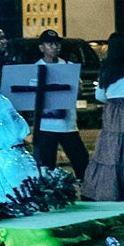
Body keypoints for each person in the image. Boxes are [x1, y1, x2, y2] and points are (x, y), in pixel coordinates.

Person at [81, 30, 124, 202]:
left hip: (112, 109)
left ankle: (108, 192)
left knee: (110, 151)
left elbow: (99, 95)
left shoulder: (106, 65)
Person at [25, 28, 88, 179]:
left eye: (56, 43)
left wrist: (78, 88)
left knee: (82, 162)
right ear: (41, 48)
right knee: (47, 166)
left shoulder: (69, 66)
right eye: (49, 43)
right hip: (46, 126)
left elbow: (78, 92)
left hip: (69, 126)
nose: (54, 47)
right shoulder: (35, 68)